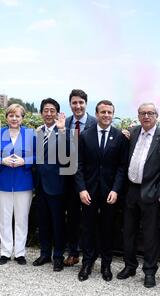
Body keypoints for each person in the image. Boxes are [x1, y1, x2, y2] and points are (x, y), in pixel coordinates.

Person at [116, 103, 160, 288]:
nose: (146, 116)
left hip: (151, 192)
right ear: (138, 116)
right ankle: (130, 266)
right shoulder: (131, 133)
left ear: (156, 115)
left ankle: (149, 271)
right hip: (131, 190)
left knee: (150, 235)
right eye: (143, 113)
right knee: (128, 232)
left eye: (150, 113)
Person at [75, 100, 128, 281]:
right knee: (88, 228)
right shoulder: (85, 136)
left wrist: (116, 190)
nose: (106, 115)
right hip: (88, 192)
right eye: (103, 112)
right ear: (96, 114)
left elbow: (122, 167)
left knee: (108, 229)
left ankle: (106, 264)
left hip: (109, 193)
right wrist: (81, 189)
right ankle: (87, 263)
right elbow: (78, 165)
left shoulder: (120, 137)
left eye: (109, 112)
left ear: (113, 114)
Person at [0, 104, 35, 265]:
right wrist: (1, 160)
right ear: (6, 117)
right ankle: (5, 252)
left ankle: (20, 253)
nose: (14, 118)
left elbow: (38, 156)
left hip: (24, 183)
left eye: (17, 116)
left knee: (22, 219)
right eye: (11, 115)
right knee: (4, 218)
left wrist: (25, 161)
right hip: (2, 183)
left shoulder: (30, 135)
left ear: (22, 118)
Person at [32, 98, 69, 272]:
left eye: (52, 110)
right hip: (39, 186)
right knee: (43, 222)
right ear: (41, 113)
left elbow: (68, 155)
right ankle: (45, 253)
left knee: (58, 223)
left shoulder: (63, 132)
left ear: (57, 114)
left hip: (57, 186)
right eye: (45, 110)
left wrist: (62, 131)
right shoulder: (38, 132)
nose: (48, 114)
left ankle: (58, 256)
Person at [64, 89, 96, 267]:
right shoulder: (65, 123)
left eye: (81, 102)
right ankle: (73, 252)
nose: (77, 106)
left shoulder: (95, 122)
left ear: (86, 104)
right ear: (70, 104)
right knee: (72, 217)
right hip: (69, 178)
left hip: (90, 177)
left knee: (90, 218)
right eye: (74, 103)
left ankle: (90, 254)